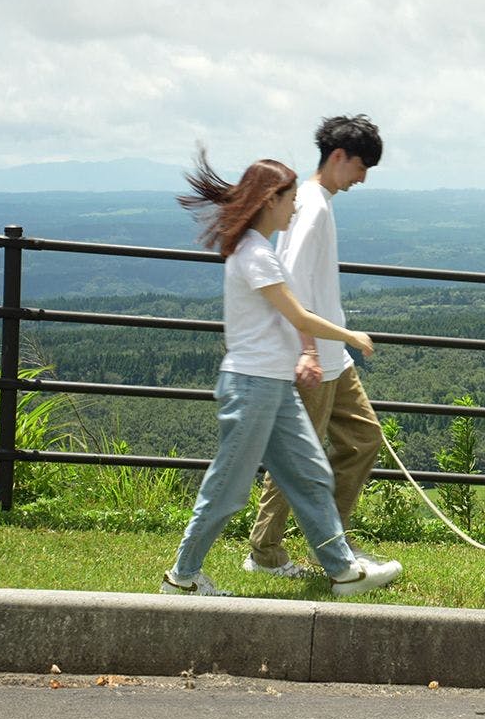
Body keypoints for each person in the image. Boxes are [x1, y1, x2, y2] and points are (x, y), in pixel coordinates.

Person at [163, 153, 402, 597]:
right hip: (252, 387)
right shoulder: (256, 255)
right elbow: (299, 316)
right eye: (290, 198)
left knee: (311, 476)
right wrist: (350, 336)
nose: (295, 206)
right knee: (228, 488)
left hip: (274, 386)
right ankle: (182, 576)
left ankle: (343, 571)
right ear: (270, 200)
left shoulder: (260, 251)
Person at [243, 114, 386, 577]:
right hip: (313, 357)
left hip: (332, 357)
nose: (363, 178)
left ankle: (333, 542)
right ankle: (265, 554)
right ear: (339, 157)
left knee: (363, 438)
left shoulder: (312, 201)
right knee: (297, 457)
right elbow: (294, 285)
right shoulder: (314, 206)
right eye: (362, 166)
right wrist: (306, 351)